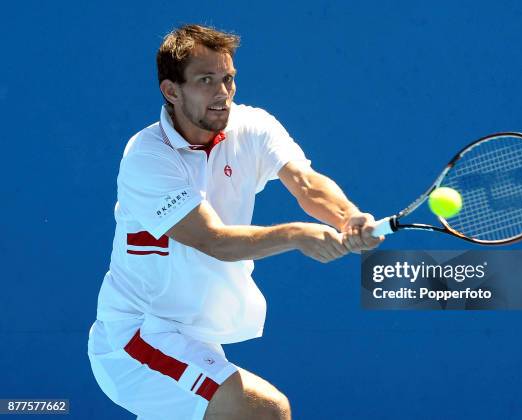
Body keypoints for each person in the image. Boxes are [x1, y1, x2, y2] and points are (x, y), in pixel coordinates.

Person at [88, 24, 383, 420]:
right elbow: (212, 239)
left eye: (228, 79)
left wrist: (348, 217)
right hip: (137, 336)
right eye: (206, 80)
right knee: (264, 410)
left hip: (195, 338)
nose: (222, 92)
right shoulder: (147, 156)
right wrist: (295, 234)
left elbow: (306, 184)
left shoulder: (253, 126)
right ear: (171, 91)